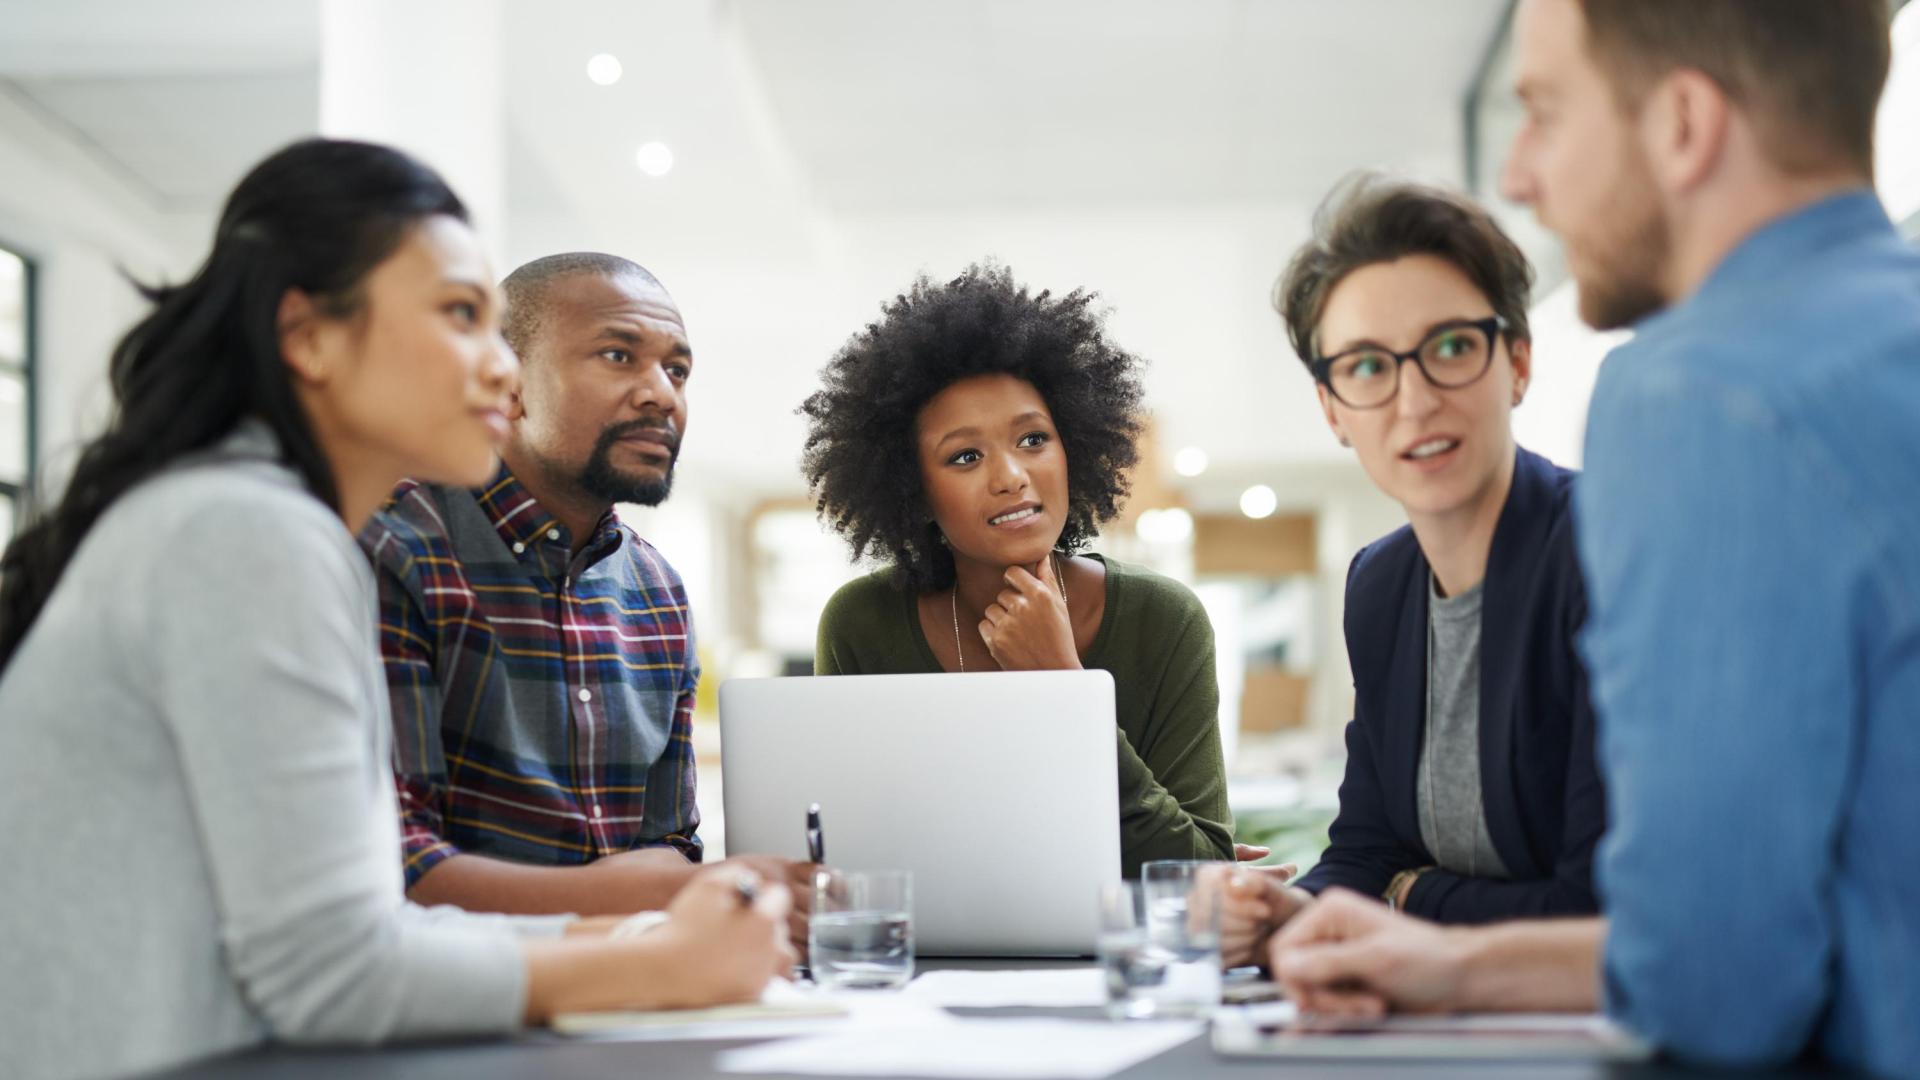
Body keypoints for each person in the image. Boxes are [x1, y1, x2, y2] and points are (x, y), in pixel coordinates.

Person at [0, 140, 792, 1080]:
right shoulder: (248, 533)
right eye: (462, 318)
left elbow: (338, 938)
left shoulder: (243, 518)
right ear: (311, 338)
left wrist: (643, 941)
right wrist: (657, 961)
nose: (500, 371)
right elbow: (332, 974)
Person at [1270, 2, 1919, 1074]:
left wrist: (1420, 920)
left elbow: (1717, 987)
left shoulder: (1703, 391)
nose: (1522, 174)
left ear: (1683, 124)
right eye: (1367, 367)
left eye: (1546, 114)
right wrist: (1448, 960)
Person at [1209, 177, 1604, 968]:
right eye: (1366, 367)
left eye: (1451, 348)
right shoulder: (1380, 587)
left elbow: (1596, 902)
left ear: (1516, 362)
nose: (1414, 401)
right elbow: (1366, 846)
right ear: (1332, 410)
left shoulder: (1603, 549)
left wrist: (1410, 896)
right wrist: (1288, 909)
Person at [359, 253, 811, 940]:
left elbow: (669, 848)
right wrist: (643, 895)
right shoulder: (398, 546)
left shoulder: (658, 593)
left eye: (677, 369)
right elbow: (389, 865)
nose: (661, 393)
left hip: (627, 988)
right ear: (506, 383)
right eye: (617, 355)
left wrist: (690, 893)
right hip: (456, 999)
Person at [801, 263, 1236, 877]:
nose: (1010, 475)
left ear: (1073, 449)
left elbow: (1199, 875)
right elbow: (848, 863)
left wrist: (1065, 686)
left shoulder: (1163, 620)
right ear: (915, 491)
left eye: (1033, 439)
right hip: (925, 966)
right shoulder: (861, 625)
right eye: (966, 455)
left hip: (1115, 964)